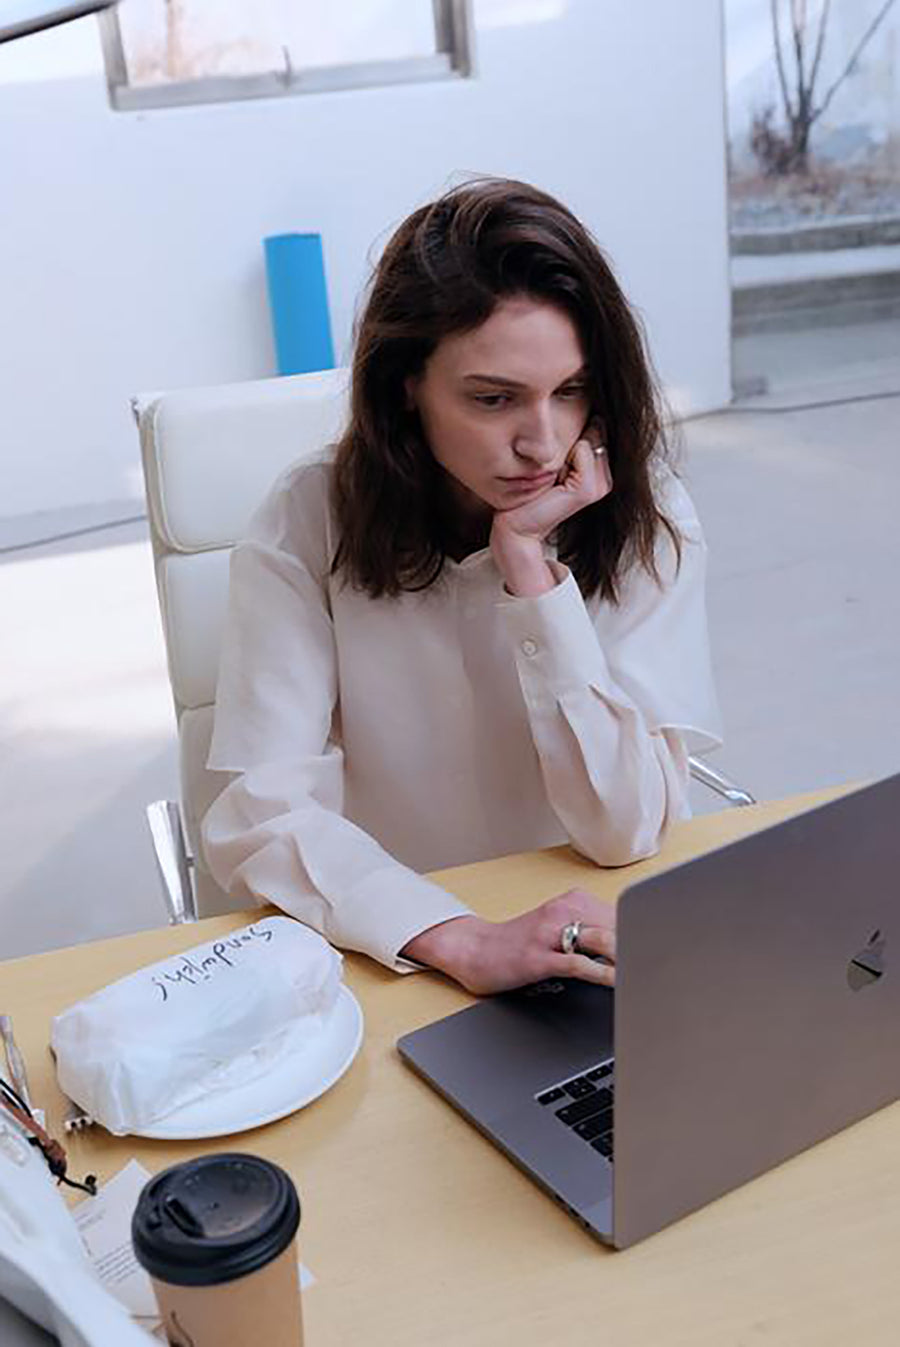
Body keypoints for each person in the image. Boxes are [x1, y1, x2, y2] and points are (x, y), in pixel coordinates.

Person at [202, 176, 722, 996]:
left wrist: (533, 579)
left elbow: (625, 829)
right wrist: (466, 940)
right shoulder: (308, 516)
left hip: (597, 936)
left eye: (572, 390)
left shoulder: (644, 516)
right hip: (397, 946)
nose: (543, 444)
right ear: (406, 385)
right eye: (493, 398)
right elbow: (262, 814)